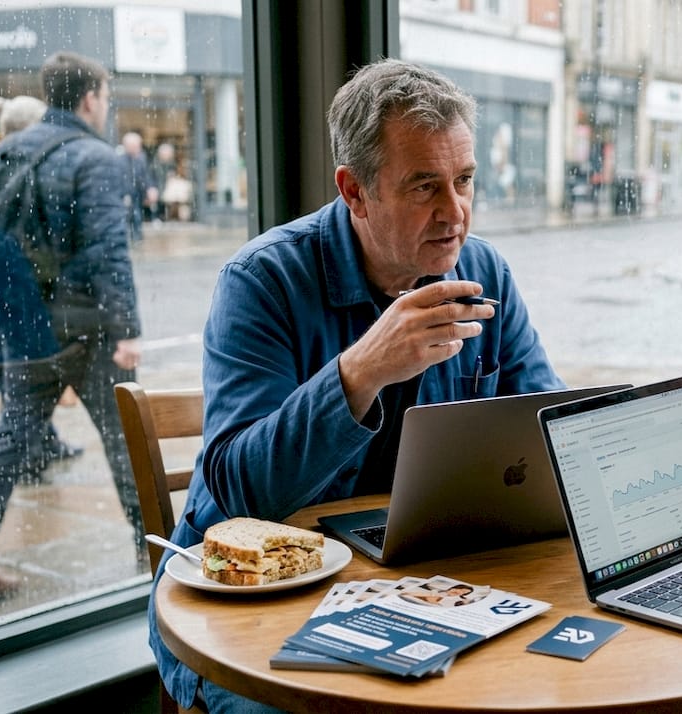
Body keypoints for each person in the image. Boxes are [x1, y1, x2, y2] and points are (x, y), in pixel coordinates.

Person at [149, 58, 564, 712]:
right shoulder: (261, 282)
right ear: (355, 191)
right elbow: (239, 491)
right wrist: (360, 371)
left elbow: (551, 435)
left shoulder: (483, 273)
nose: (455, 212)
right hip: (254, 592)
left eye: (465, 180)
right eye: (425, 185)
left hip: (415, 583)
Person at [0, 51, 142, 598]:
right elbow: (106, 249)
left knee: (12, 440)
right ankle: (158, 549)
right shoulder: (97, 157)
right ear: (90, 97)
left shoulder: (9, 150)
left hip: (26, 324)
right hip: (83, 328)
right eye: (105, 96)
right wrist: (126, 330)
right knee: (127, 441)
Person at [0, 93, 84, 469]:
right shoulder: (4, 161)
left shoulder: (0, 158)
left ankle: (40, 445)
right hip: (0, 292)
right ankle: (28, 449)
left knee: (24, 376)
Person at [116, 131, 153, 241]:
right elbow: (122, 179)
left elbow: (144, 176)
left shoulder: (140, 159)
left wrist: (148, 189)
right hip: (125, 195)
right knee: (128, 216)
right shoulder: (120, 160)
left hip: (137, 194)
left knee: (137, 217)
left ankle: (137, 237)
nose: (138, 148)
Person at [147, 141, 176, 222]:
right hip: (156, 186)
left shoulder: (170, 163)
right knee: (157, 201)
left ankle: (164, 217)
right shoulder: (155, 163)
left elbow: (171, 173)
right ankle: (156, 217)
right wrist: (151, 187)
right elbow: (150, 176)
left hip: (165, 186)